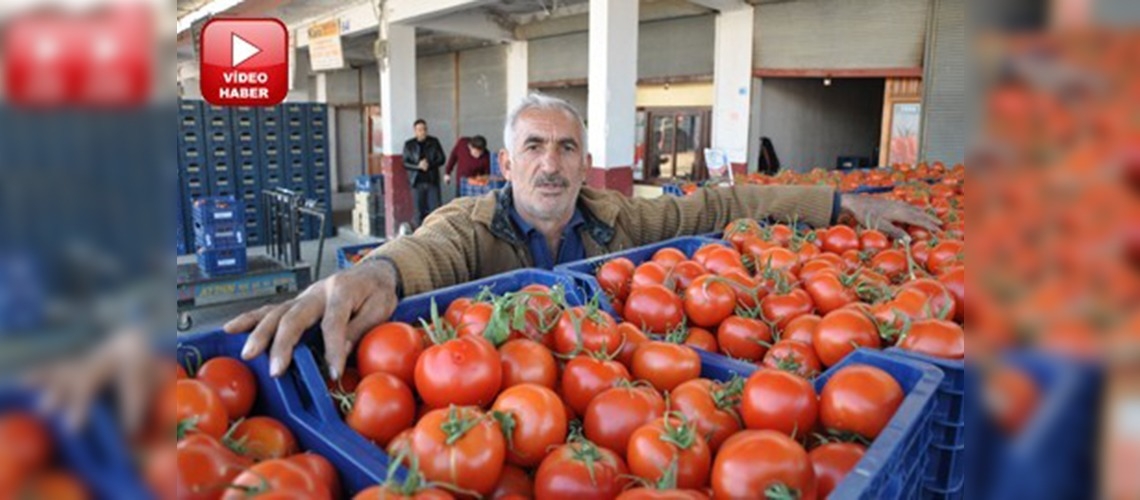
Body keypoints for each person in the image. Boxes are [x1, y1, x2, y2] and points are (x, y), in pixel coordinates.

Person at [225, 93, 940, 382]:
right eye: (534, 147)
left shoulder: (620, 218)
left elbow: (722, 204)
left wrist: (838, 202)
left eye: (567, 148)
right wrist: (377, 275)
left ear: (585, 161)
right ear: (507, 165)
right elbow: (425, 251)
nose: (551, 163)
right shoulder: (470, 226)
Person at [402, 119, 446, 227]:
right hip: (416, 182)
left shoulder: (434, 142)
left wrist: (429, 164)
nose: (423, 132)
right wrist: (418, 166)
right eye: (420, 130)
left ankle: (435, 231)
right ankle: (420, 233)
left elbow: (442, 159)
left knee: (435, 210)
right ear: (415, 131)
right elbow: (405, 163)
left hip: (432, 180)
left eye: (424, 129)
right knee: (418, 211)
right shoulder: (409, 145)